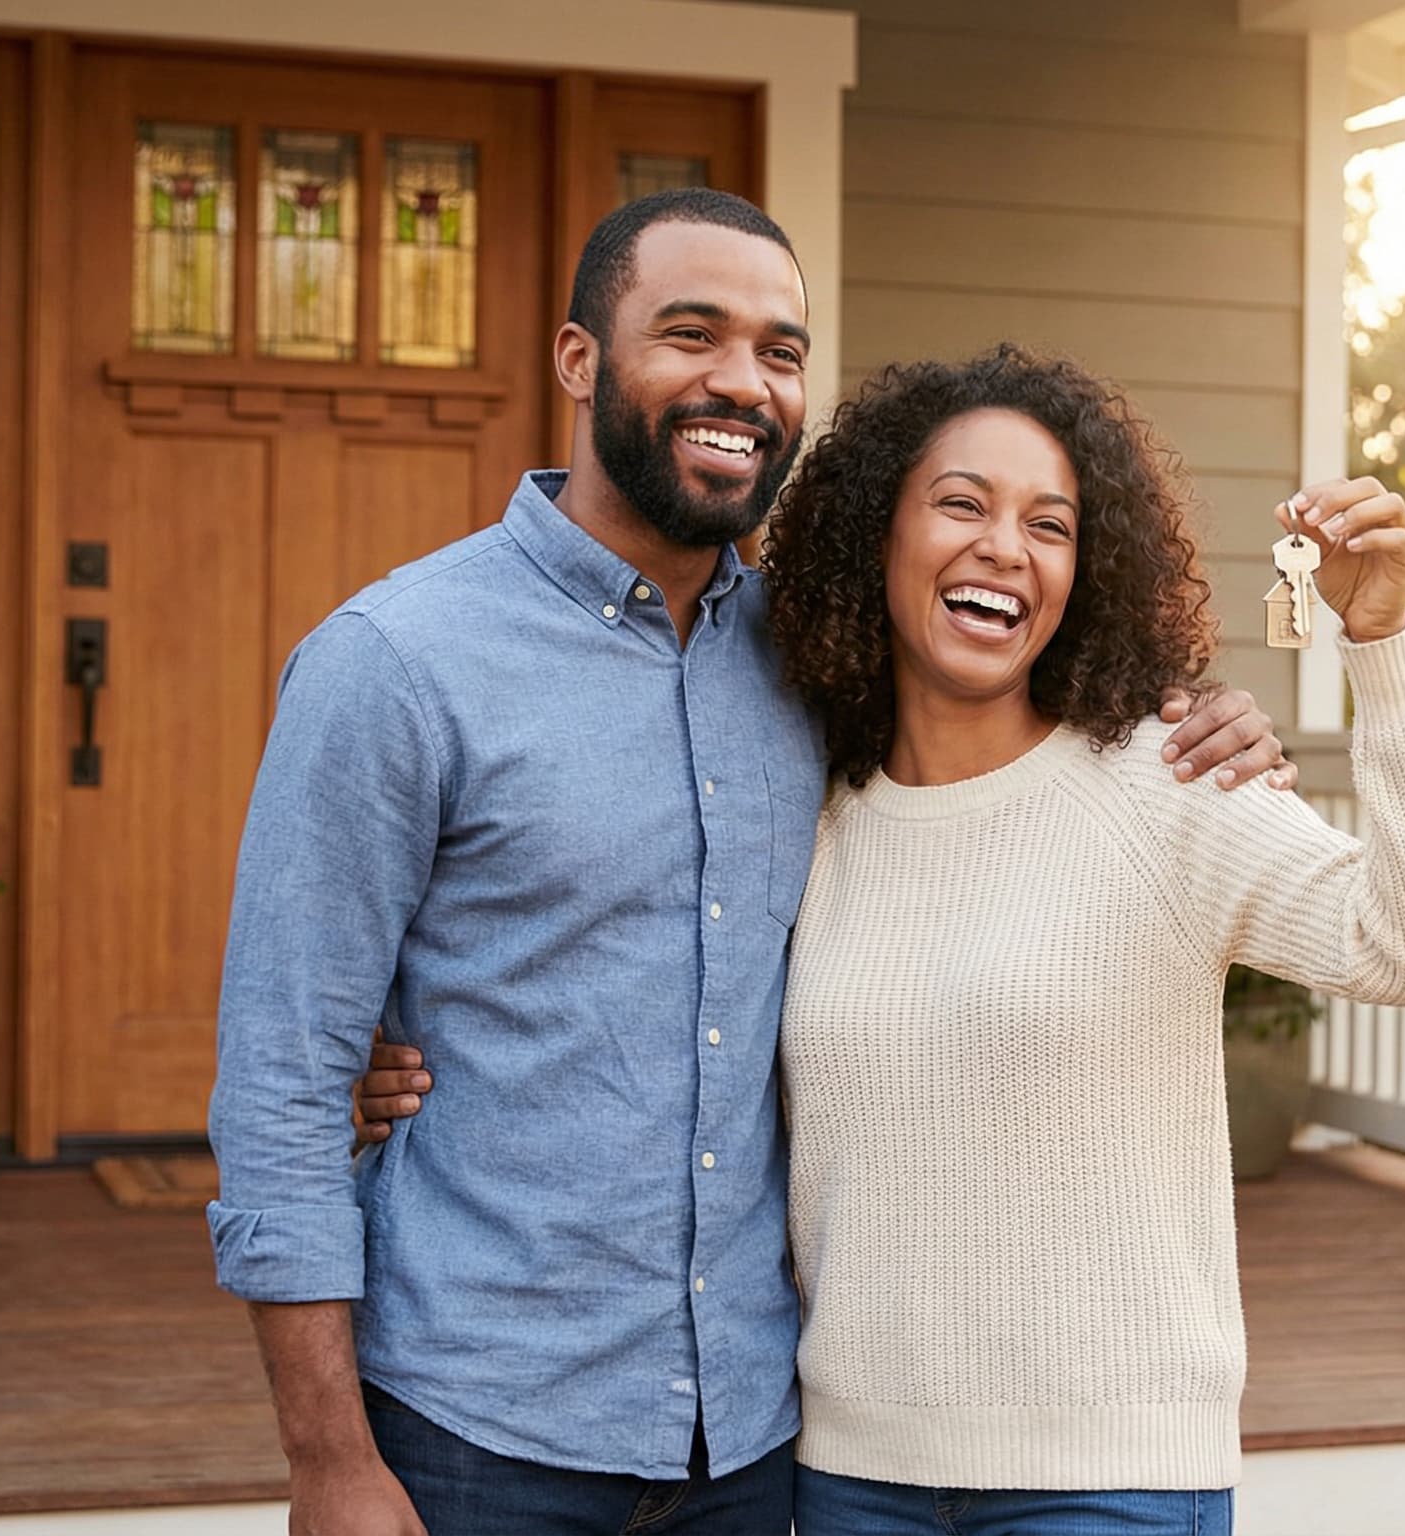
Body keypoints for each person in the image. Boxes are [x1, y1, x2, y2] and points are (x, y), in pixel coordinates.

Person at [205, 190, 1289, 1536]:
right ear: (580, 359)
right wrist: (326, 1461)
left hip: (751, 1448)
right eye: (692, 333)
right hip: (476, 1434)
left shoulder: (817, 664)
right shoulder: (396, 665)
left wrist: (1198, 716)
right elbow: (280, 1087)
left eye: (781, 351)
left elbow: (1004, 728)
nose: (743, 382)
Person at [368, 346, 1405, 1534]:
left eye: (1049, 525)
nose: (1005, 546)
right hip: (854, 1475)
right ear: (877, 540)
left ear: (1082, 573)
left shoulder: (1169, 782)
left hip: (1108, 1479)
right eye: (961, 504)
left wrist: (1383, 645)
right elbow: (651, 1002)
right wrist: (395, 1066)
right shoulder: (807, 813)